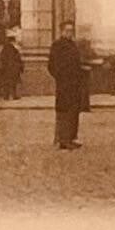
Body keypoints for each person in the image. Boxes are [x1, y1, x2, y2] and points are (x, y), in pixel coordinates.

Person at [47, 21, 85, 150]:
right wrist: (61, 77)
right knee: (64, 111)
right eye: (67, 30)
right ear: (61, 31)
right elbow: (51, 65)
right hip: (64, 85)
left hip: (74, 84)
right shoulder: (57, 45)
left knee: (74, 111)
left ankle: (71, 137)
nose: (69, 33)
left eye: (71, 31)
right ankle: (63, 140)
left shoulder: (73, 45)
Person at [0, 35, 24, 100]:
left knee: (8, 82)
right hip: (13, 68)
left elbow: (2, 57)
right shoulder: (13, 48)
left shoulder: (6, 48)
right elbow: (18, 58)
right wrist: (21, 67)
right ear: (12, 41)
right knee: (13, 82)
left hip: (8, 68)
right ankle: (13, 95)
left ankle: (7, 96)